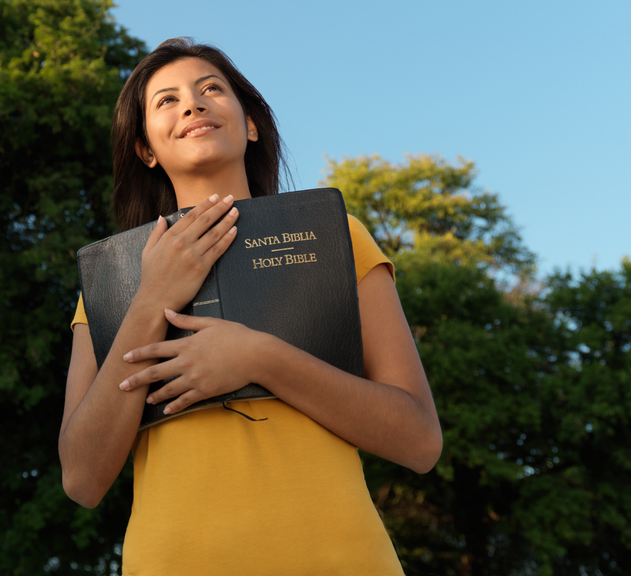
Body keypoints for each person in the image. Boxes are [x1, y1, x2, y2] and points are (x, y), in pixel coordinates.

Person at [58, 38, 441, 575]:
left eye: (211, 88)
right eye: (166, 101)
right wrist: (151, 299)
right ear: (145, 148)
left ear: (250, 123)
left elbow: (420, 441)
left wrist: (261, 358)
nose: (192, 104)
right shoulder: (109, 280)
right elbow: (82, 478)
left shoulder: (339, 236)